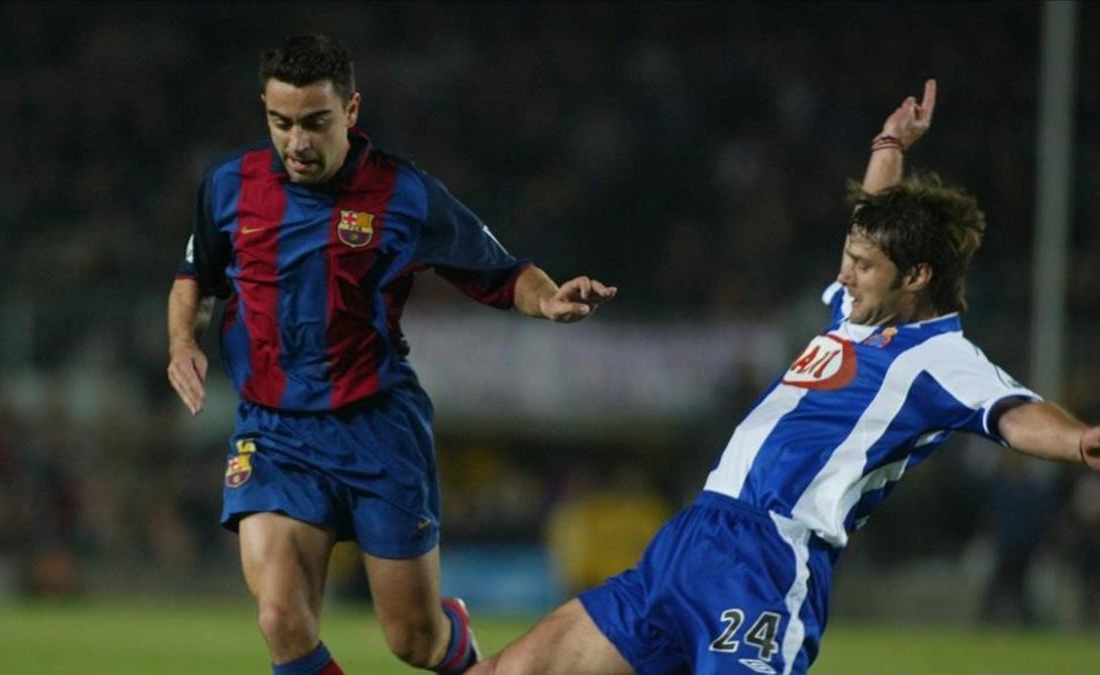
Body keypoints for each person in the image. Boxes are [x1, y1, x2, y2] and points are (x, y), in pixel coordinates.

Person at [470, 79, 1100, 675]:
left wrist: (1079, 442)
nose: (844, 274)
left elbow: (1013, 415)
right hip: (692, 542)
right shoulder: (854, 313)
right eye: (848, 258)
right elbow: (872, 221)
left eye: (862, 265)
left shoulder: (942, 358)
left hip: (766, 565)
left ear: (916, 278)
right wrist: (889, 147)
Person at [165, 34, 616, 675]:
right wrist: (182, 341)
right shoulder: (228, 186)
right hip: (274, 431)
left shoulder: (404, 193)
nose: (297, 142)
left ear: (350, 111)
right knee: (280, 619)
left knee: (414, 642)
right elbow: (195, 276)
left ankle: (452, 633)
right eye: (281, 122)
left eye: (315, 123)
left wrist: (546, 301)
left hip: (376, 427)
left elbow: (499, 271)